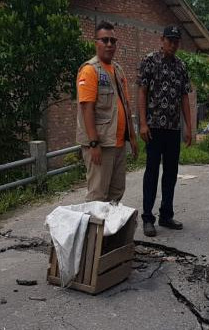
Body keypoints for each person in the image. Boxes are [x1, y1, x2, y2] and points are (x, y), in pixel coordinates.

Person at [137, 26, 193, 237]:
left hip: (172, 129)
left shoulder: (181, 66)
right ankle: (148, 218)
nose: (173, 44)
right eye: (170, 40)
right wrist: (142, 123)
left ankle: (166, 215)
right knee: (151, 172)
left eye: (176, 41)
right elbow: (142, 92)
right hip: (153, 128)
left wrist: (189, 126)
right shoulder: (149, 61)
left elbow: (185, 97)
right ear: (161, 40)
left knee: (171, 173)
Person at [76, 21, 138, 202]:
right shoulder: (89, 71)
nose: (109, 44)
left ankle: (110, 231)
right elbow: (87, 108)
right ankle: (94, 231)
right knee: (98, 196)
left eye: (113, 40)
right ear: (96, 43)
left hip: (118, 143)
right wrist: (94, 143)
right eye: (105, 40)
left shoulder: (118, 70)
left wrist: (132, 138)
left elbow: (126, 106)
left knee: (116, 192)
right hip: (101, 145)